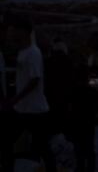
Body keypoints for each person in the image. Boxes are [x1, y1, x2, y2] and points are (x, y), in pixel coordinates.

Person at [1, 18, 57, 172]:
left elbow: (35, 79)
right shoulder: (24, 51)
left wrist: (14, 99)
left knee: (42, 147)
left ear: (24, 32)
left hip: (35, 111)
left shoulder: (33, 52)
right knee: (8, 141)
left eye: (15, 30)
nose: (12, 34)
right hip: (23, 109)